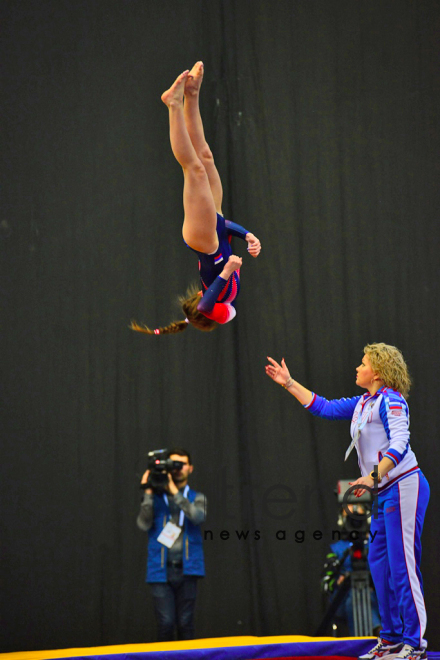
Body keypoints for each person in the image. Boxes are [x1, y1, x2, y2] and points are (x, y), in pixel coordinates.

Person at [265, 343, 429, 660]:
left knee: (403, 565)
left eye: (362, 363)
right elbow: (323, 407)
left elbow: (400, 442)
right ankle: (392, 638)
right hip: (384, 491)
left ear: (378, 372)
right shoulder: (364, 402)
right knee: (379, 565)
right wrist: (288, 382)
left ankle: (415, 643)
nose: (357, 367)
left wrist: (373, 475)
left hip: (403, 486)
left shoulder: (391, 401)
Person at [130, 62, 261, 336]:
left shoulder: (220, 310)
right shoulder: (226, 298)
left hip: (203, 239)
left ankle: (173, 105)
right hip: (216, 227)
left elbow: (204, 306)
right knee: (205, 157)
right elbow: (223, 227)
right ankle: (192, 94)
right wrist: (247, 234)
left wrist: (228, 270)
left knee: (195, 170)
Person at [137, 448, 207, 641]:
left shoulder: (197, 497)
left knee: (186, 622)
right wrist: (148, 493)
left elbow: (198, 517)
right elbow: (143, 524)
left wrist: (175, 492)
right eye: (173, 464)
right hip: (160, 570)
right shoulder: (156, 499)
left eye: (182, 464)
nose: (178, 469)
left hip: (188, 568)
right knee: (166, 623)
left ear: (190, 468)